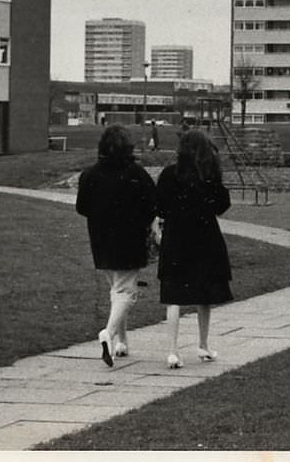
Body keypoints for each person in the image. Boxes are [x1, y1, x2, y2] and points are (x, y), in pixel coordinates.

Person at [74, 125, 159, 366]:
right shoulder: (136, 173)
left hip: (101, 239)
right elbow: (152, 205)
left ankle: (122, 342)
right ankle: (109, 334)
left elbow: (82, 207)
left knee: (117, 290)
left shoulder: (89, 174)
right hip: (130, 240)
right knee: (126, 291)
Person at [156, 128, 233, 368]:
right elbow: (221, 206)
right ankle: (203, 344)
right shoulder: (208, 175)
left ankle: (172, 350)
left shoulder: (169, 174)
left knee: (173, 297)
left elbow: (160, 206)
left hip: (176, 237)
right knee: (205, 296)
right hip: (205, 237)